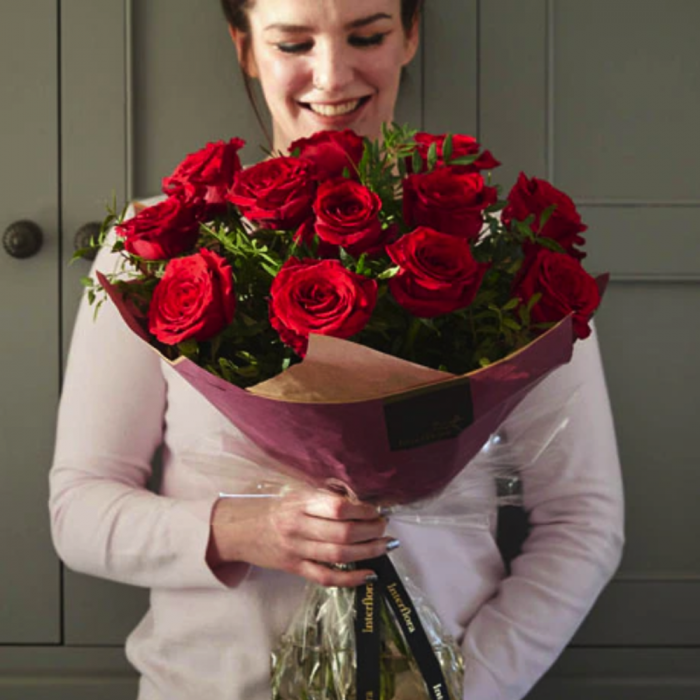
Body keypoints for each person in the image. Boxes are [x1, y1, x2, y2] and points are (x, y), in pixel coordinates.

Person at [49, 1, 625, 699]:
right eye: (293, 41)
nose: (331, 74)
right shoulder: (159, 248)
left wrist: (464, 687)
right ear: (244, 46)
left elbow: (584, 521)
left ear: (410, 36)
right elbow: (78, 512)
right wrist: (244, 531)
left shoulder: (505, 260)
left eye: (368, 35)